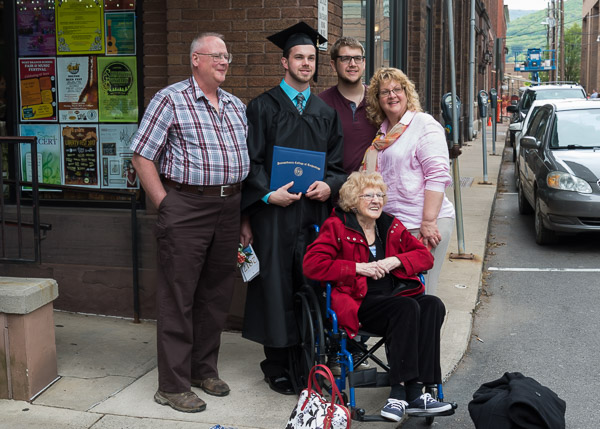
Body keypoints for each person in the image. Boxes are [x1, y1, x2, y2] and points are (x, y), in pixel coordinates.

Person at [130, 32, 249, 413]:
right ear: (195, 59)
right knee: (178, 296)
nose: (224, 62)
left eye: (227, 56)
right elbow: (142, 155)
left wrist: (242, 212)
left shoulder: (234, 105)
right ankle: (172, 385)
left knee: (216, 293)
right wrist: (165, 204)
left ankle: (203, 369)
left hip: (229, 205)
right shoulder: (170, 99)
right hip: (186, 206)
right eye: (216, 56)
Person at [240, 21, 346, 396]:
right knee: (275, 285)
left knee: (311, 282)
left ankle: (308, 359)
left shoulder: (324, 112)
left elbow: (337, 167)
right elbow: (249, 163)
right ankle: (277, 365)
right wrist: (267, 196)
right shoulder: (263, 107)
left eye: (310, 59)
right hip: (274, 216)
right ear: (284, 62)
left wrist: (327, 185)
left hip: (312, 215)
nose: (305, 64)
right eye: (298, 57)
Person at [303, 171, 453, 422]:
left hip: (395, 298)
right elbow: (312, 265)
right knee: (406, 307)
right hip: (358, 302)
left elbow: (425, 257)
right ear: (353, 199)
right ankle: (401, 393)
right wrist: (357, 268)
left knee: (432, 305)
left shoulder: (390, 225)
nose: (376, 200)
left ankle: (424, 390)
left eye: (380, 195)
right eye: (368, 195)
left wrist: (396, 260)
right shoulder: (338, 226)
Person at [363, 67, 454, 295]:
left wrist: (429, 221)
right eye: (385, 92)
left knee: (422, 294)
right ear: (378, 100)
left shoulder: (424, 124)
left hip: (422, 225)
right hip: (394, 226)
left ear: (407, 93)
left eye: (397, 89)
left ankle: (428, 332)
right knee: (401, 300)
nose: (392, 95)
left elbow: (437, 175)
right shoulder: (383, 134)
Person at [319, 36, 378, 174]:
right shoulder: (320, 104)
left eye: (357, 58)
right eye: (345, 59)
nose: (352, 64)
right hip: (334, 191)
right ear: (333, 65)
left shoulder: (379, 100)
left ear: (363, 63)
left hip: (374, 190)